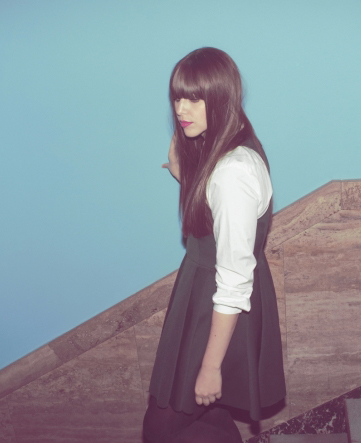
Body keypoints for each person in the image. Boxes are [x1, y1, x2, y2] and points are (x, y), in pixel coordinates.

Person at [143, 47, 286, 443]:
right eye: (177, 97)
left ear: (221, 97)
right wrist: (184, 175)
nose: (180, 109)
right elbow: (219, 211)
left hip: (219, 304)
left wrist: (210, 367)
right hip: (208, 295)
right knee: (208, 418)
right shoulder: (229, 146)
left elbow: (234, 278)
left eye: (194, 98)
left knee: (161, 428)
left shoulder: (233, 171)